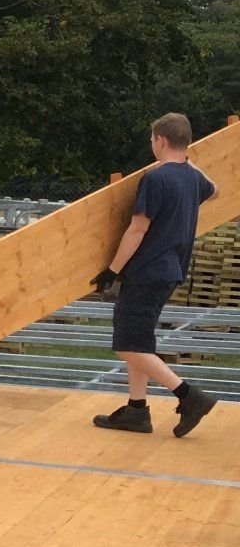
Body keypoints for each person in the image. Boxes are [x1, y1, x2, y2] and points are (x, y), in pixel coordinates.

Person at [91, 114, 219, 436]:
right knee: (140, 341)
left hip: (147, 271)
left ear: (160, 140)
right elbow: (214, 189)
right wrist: (188, 161)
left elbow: (137, 228)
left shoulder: (155, 179)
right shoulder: (191, 178)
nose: (151, 145)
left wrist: (111, 271)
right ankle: (137, 410)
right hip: (170, 271)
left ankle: (189, 396)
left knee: (126, 344)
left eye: (152, 139)